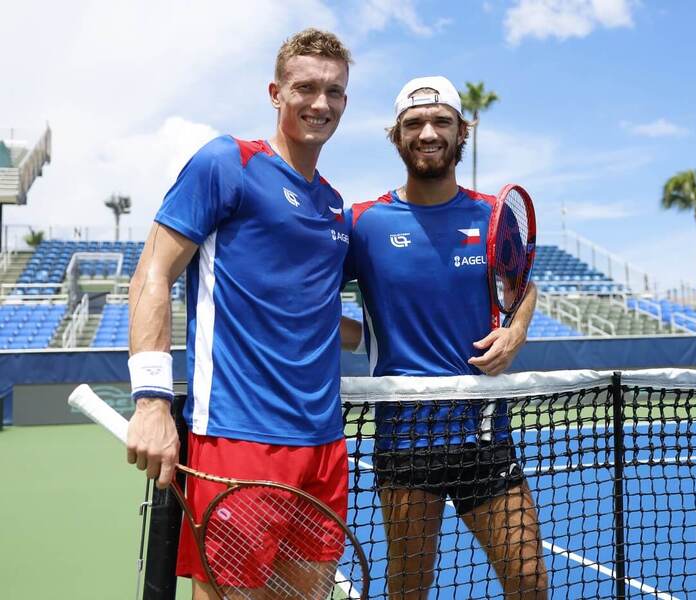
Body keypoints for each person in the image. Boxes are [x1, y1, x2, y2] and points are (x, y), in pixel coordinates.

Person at [125, 29, 356, 598]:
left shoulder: (334, 206)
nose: (320, 103)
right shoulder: (227, 162)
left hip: (324, 446)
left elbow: (320, 316)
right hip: (240, 440)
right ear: (276, 92)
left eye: (334, 91)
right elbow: (152, 274)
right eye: (305, 87)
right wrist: (152, 403)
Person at [342, 76, 546, 599]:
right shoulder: (363, 223)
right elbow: (307, 299)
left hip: (484, 435)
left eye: (441, 122)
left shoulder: (491, 216)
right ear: (397, 136)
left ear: (462, 133)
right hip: (405, 440)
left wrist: (516, 331)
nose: (427, 132)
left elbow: (523, 287)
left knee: (529, 582)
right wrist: (348, 336)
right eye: (414, 124)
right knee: (409, 588)